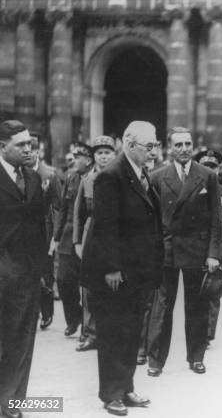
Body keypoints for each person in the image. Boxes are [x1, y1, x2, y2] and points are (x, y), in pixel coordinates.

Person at [82, 121, 163, 416]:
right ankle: (111, 393)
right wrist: (112, 268)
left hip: (137, 270)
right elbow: (105, 227)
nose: (154, 151)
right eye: (149, 146)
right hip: (115, 273)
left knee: (130, 331)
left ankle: (126, 387)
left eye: (155, 145)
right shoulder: (111, 176)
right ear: (130, 145)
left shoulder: (140, 173)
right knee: (114, 332)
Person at [146, 127, 222, 376]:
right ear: (169, 148)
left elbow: (216, 219)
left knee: (197, 305)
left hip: (197, 250)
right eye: (178, 145)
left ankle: (196, 356)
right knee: (162, 307)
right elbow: (151, 220)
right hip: (167, 249)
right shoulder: (157, 177)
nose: (184, 149)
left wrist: (214, 254)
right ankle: (155, 360)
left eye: (188, 144)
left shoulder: (207, 175)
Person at [0, 120, 46, 418]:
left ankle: (13, 403)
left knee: (23, 339)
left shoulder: (32, 178)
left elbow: (40, 226)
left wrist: (43, 272)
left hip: (27, 273)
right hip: (3, 268)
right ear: (2, 147)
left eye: (30, 143)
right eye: (21, 145)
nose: (28, 149)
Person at [72, 135, 116, 352]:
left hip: (115, 239)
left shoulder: (122, 179)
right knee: (89, 287)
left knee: (113, 285)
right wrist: (77, 242)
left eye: (107, 152)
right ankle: (91, 333)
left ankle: (111, 334)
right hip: (91, 237)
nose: (103, 157)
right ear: (94, 157)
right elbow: (79, 213)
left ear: (114, 154)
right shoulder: (87, 180)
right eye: (99, 153)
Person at [194, 149, 222, 345]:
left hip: (217, 248)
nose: (209, 170)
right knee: (195, 290)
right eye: (205, 166)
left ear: (219, 170)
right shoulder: (191, 190)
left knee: (213, 290)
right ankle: (195, 330)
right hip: (194, 248)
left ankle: (207, 334)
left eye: (213, 166)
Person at [50, 143, 93, 337]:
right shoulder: (71, 178)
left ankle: (87, 327)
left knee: (86, 285)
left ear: (88, 160)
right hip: (68, 238)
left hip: (87, 238)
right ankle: (73, 318)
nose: (73, 160)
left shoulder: (96, 179)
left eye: (78, 157)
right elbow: (63, 210)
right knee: (63, 280)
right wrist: (56, 237)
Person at [26, 132, 62, 330]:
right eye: (26, 150)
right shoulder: (18, 173)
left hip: (44, 231)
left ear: (39, 151)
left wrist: (55, 237)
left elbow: (57, 207)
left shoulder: (49, 174)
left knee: (45, 273)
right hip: (23, 232)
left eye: (33, 150)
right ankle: (30, 314)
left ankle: (46, 313)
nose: (29, 154)